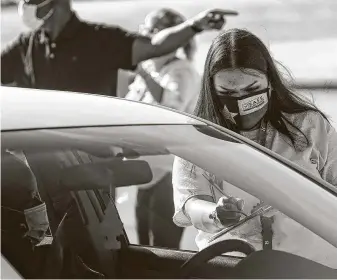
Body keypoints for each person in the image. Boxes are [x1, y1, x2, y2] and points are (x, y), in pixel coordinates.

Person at [171, 29, 337, 268]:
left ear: (269, 80)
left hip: (310, 265)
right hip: (235, 267)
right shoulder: (195, 136)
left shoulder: (308, 125)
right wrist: (215, 214)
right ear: (210, 89)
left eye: (251, 90)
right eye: (227, 93)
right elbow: (189, 202)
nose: (241, 102)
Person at [1, 0, 237, 96]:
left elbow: (154, 46)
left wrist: (195, 25)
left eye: (30, 0)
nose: (23, 5)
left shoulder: (100, 40)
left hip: (93, 159)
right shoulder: (25, 45)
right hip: (40, 158)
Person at [124, 8, 201, 249]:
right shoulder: (150, 69)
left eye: (147, 30)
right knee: (144, 249)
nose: (142, 34)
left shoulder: (182, 71)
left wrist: (142, 73)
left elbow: (170, 109)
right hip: (145, 173)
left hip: (168, 175)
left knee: (164, 252)